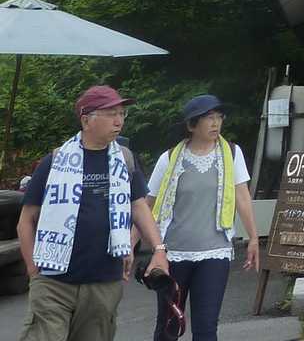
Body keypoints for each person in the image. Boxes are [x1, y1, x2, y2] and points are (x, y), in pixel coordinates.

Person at [17, 85, 170, 341]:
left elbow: (139, 206)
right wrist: (33, 270)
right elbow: (26, 220)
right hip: (53, 282)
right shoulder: (55, 162)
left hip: (103, 282)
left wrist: (159, 249)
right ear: (86, 119)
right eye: (111, 114)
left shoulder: (124, 160)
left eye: (121, 114)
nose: (119, 121)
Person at [146, 95, 260, 341]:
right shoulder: (170, 158)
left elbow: (242, 196)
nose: (216, 123)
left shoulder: (232, 153)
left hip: (215, 253)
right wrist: (130, 246)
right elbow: (147, 205)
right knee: (168, 325)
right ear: (191, 125)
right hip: (173, 253)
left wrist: (253, 238)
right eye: (209, 118)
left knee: (206, 327)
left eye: (219, 117)